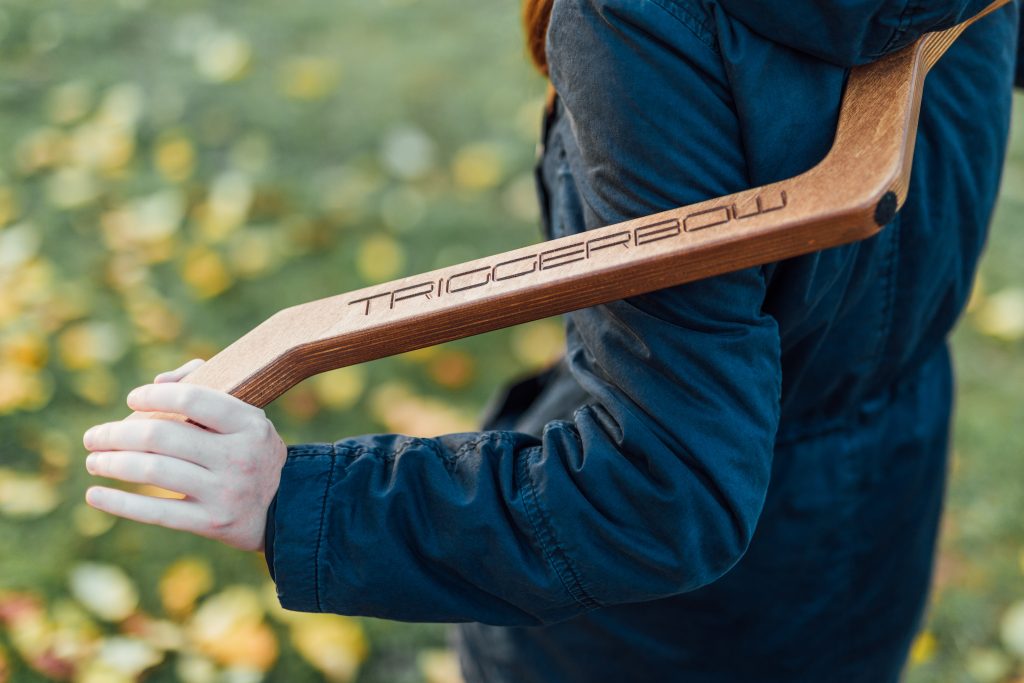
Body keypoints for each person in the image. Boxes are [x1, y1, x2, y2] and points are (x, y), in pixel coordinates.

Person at [82, 1, 1022, 680]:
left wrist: (298, 500)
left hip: (663, 635)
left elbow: (664, 490)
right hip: (878, 514)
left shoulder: (641, 20)